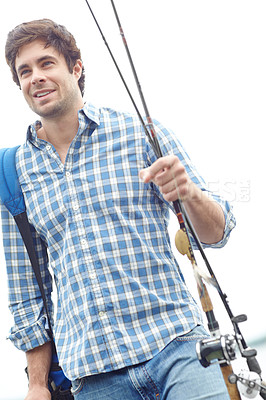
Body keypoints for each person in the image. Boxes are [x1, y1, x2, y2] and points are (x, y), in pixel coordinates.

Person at [1, 19, 236, 400]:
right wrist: (36, 384)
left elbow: (218, 233)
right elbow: (27, 291)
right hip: (94, 377)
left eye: (46, 64)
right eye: (24, 71)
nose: (35, 78)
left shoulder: (142, 133)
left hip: (178, 348)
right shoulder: (12, 174)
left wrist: (188, 192)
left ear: (76, 69)